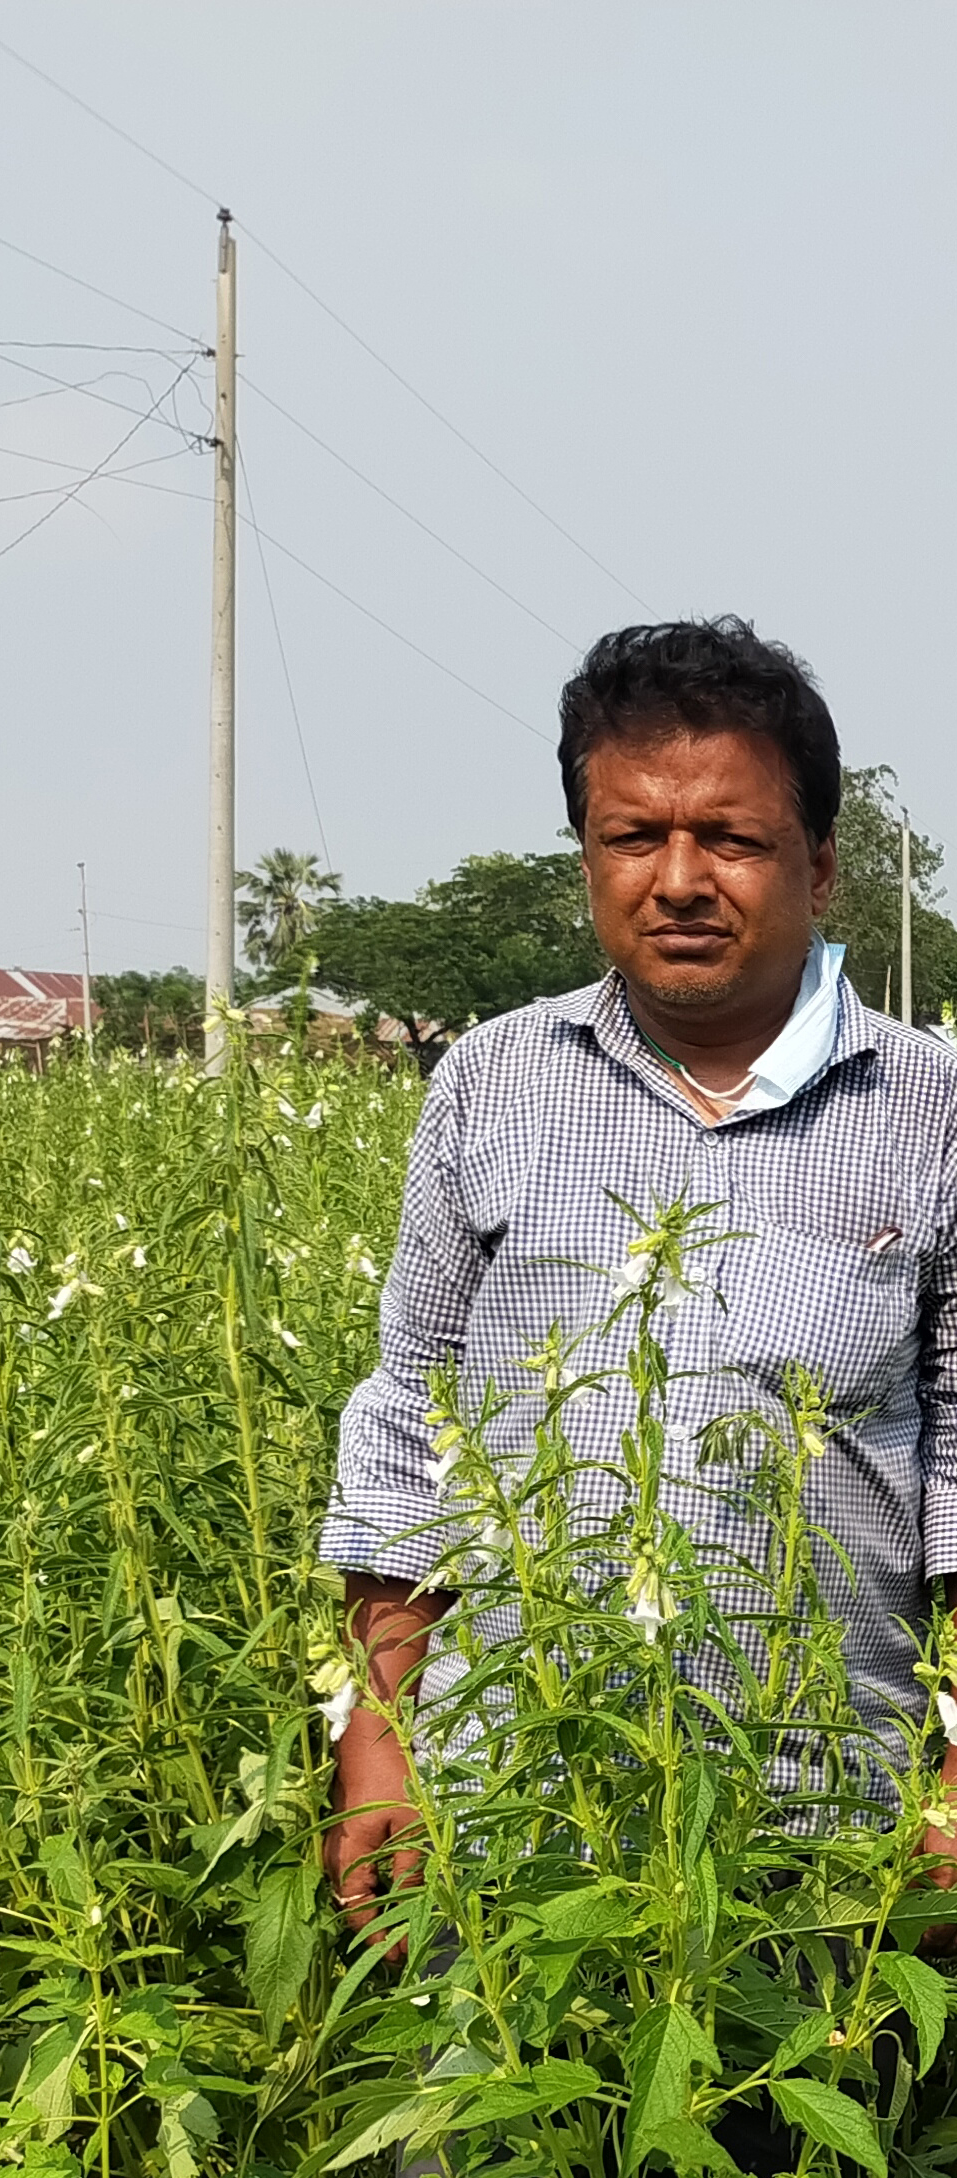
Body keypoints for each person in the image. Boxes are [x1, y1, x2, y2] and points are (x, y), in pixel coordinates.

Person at [320, 617, 957, 1966]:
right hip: (512, 1814)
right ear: (589, 858)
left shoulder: (928, 1108)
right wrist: (376, 1735)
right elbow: (408, 1412)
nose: (677, 878)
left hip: (828, 1833)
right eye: (630, 837)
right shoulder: (488, 1084)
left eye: (729, 837)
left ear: (820, 866)